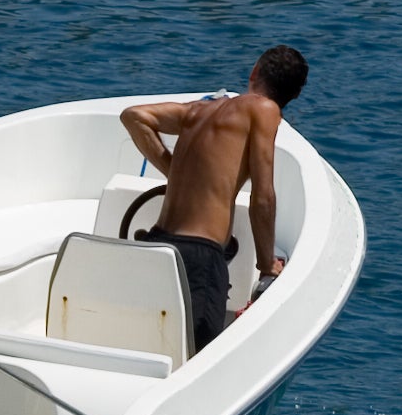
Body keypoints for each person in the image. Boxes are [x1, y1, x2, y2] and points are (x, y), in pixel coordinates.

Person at [118, 46, 308, 351]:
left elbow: (134, 117)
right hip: (199, 259)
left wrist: (175, 172)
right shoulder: (264, 110)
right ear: (293, 96)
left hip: (156, 243)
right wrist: (266, 265)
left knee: (145, 347)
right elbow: (263, 196)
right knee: (195, 358)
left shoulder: (200, 110)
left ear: (254, 72)